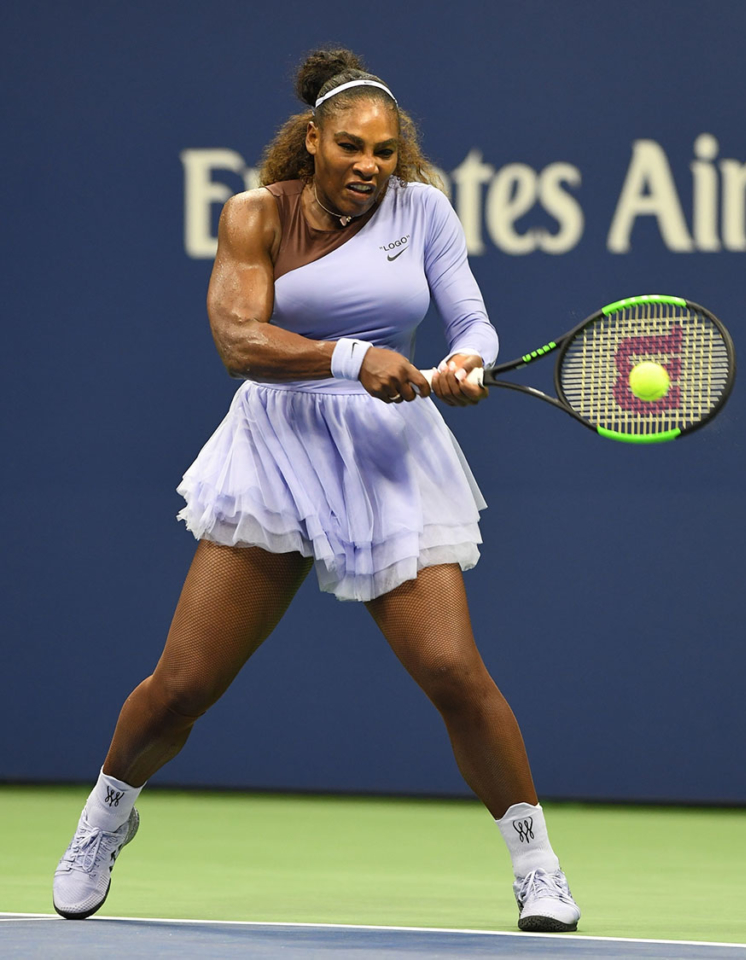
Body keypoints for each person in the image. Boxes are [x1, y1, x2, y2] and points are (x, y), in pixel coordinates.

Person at [53, 47, 580, 933]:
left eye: (384, 151)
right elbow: (237, 340)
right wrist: (351, 356)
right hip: (277, 450)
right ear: (311, 140)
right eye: (350, 148)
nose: (369, 166)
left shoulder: (426, 211)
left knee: (454, 671)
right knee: (183, 685)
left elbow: (472, 316)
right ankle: (106, 813)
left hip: (388, 452)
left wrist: (466, 360)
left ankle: (537, 864)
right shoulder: (254, 215)